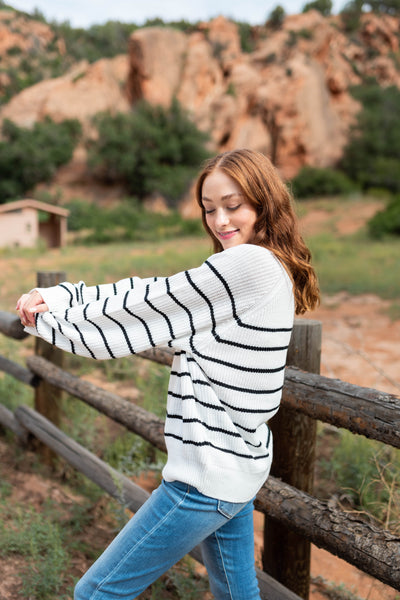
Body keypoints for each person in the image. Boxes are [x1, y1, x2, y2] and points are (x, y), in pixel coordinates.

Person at [17, 148, 319, 600]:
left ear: (264, 202)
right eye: (209, 208)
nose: (219, 221)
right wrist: (64, 297)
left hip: (206, 476)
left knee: (96, 592)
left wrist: (52, 314)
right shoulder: (266, 265)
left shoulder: (248, 265)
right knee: (236, 594)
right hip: (235, 467)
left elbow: (150, 304)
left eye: (233, 205)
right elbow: (158, 291)